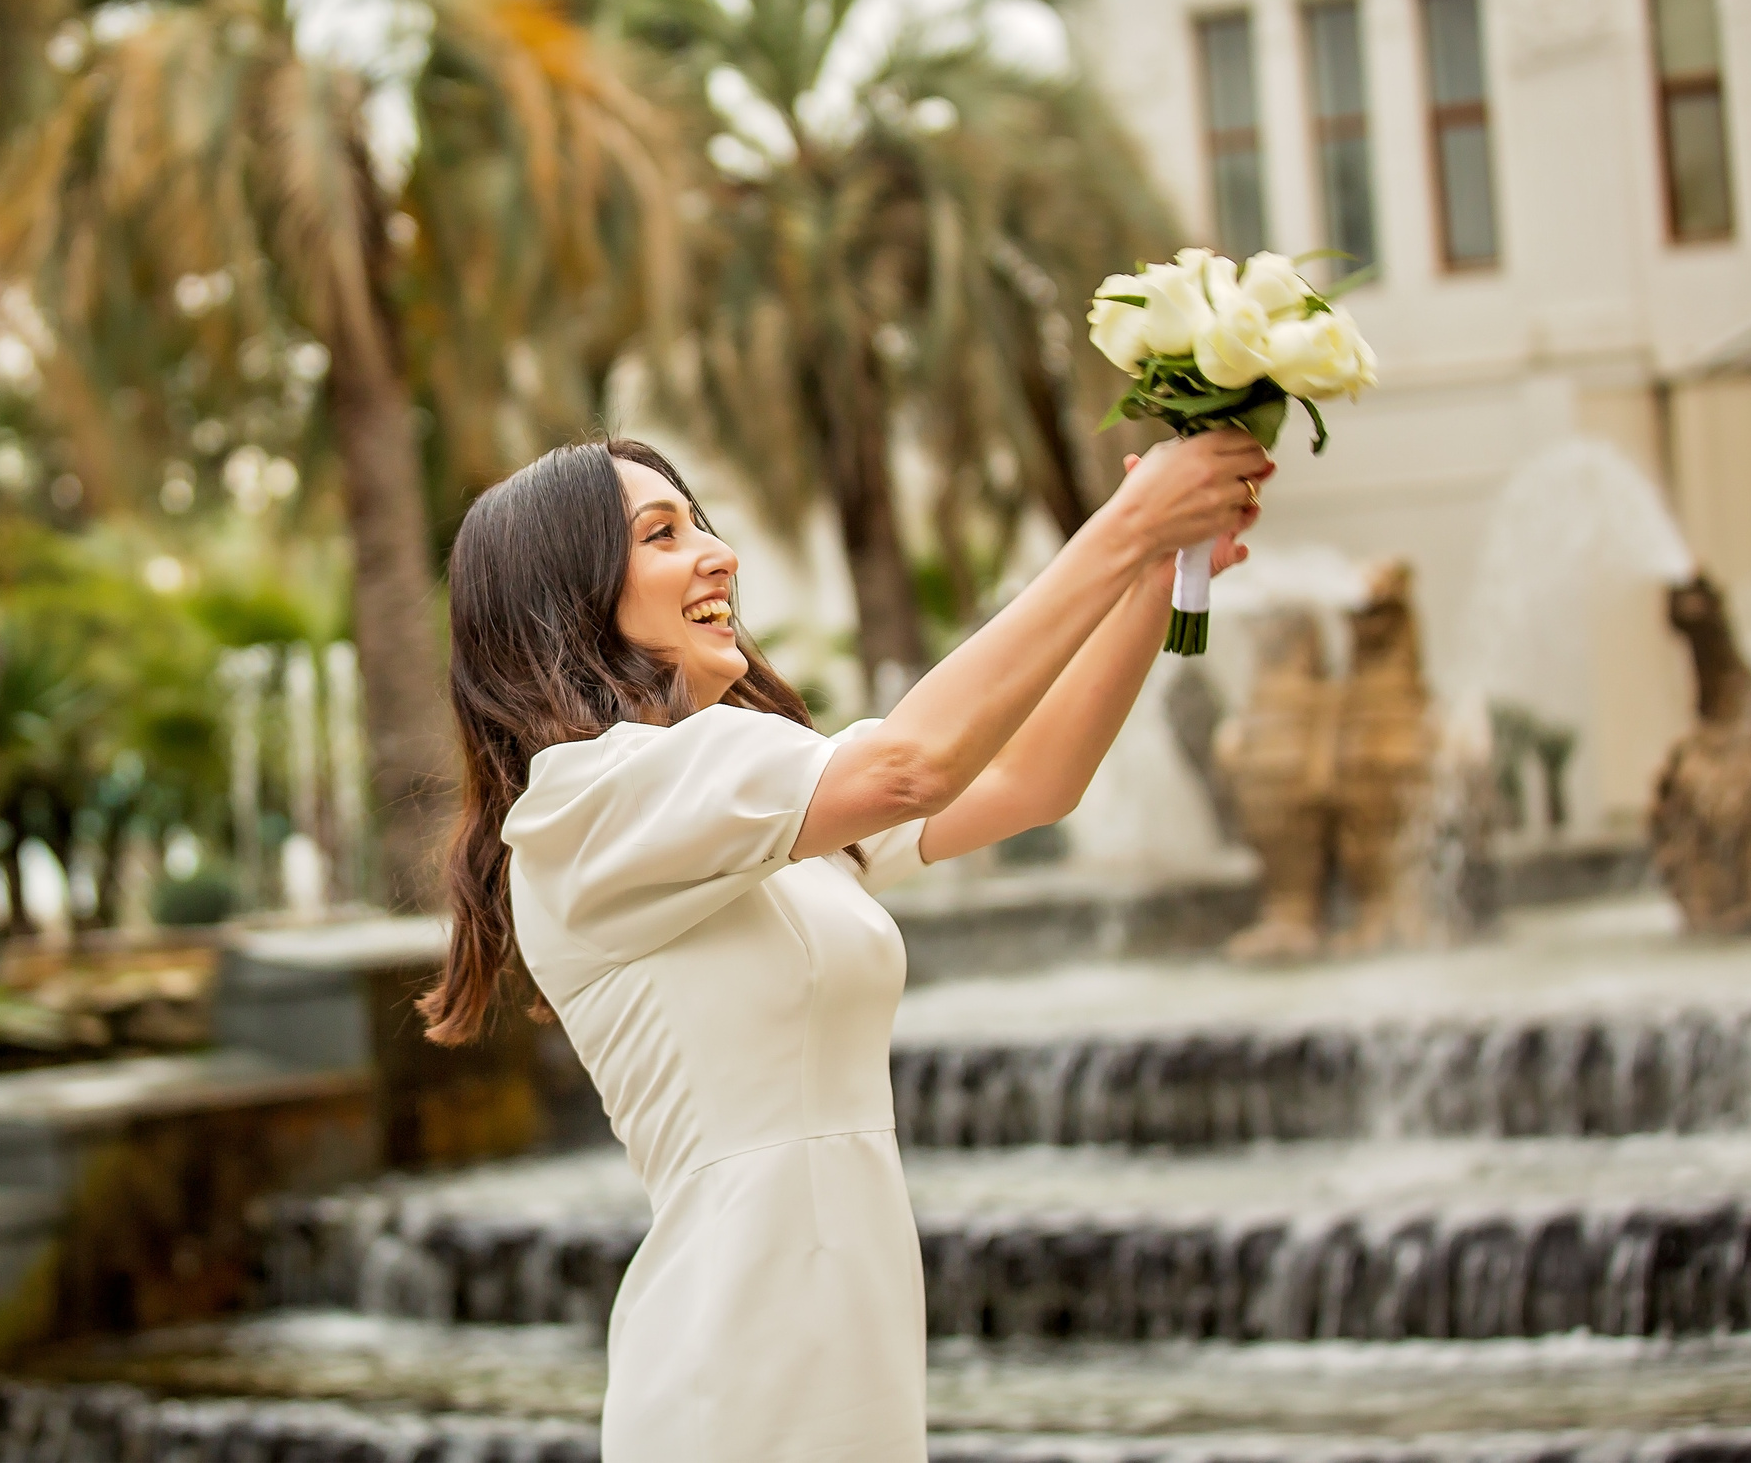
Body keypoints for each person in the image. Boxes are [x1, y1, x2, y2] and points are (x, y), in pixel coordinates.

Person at [419, 431, 1270, 1462]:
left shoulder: (726, 804)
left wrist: (1152, 577)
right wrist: (1128, 521)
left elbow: (1025, 784)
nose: (717, 553)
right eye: (661, 534)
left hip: (846, 1327)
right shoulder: (590, 801)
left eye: (701, 521)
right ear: (567, 597)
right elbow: (911, 765)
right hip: (739, 1350)